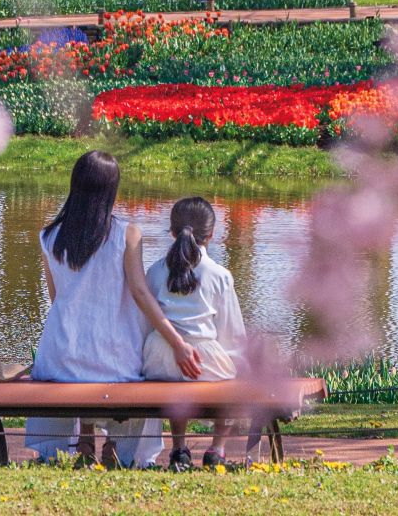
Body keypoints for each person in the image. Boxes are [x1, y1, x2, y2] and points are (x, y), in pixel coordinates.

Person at [30, 150, 201, 468]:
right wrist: (177, 343)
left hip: (60, 359)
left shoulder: (49, 236)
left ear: (75, 184)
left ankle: (83, 440)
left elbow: (56, 300)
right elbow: (139, 292)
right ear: (111, 190)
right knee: (128, 364)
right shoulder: (126, 233)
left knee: (84, 359)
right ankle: (118, 450)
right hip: (114, 362)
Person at [142, 196, 247, 470]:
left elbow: (144, 324)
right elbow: (232, 334)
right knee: (236, 370)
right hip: (203, 361)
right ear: (212, 234)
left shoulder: (154, 272)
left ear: (172, 232)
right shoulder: (218, 275)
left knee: (177, 377)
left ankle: (179, 447)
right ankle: (217, 448)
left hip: (158, 358)